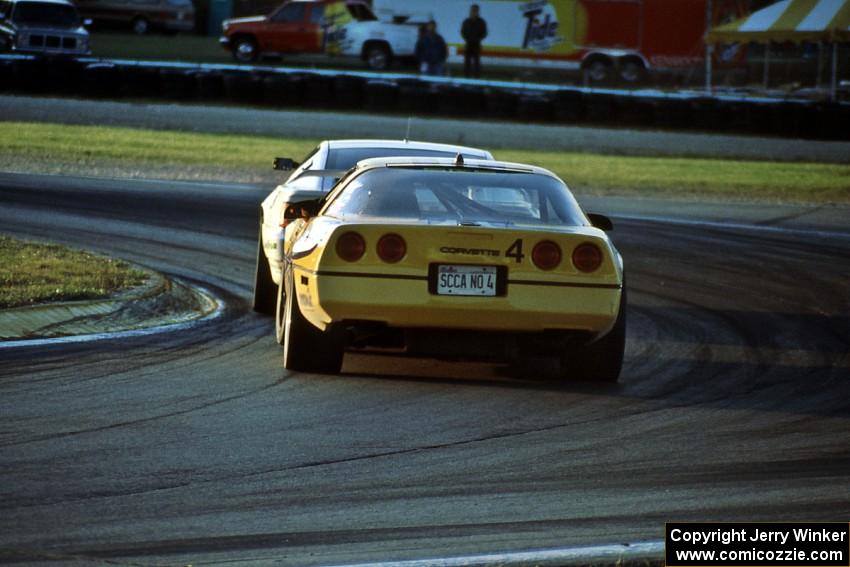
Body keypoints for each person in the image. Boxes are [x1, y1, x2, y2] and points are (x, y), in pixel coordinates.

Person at [461, 4, 487, 78]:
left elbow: (485, 33)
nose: (474, 12)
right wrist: (467, 38)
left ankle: (477, 79)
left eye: (475, 10)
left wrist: (478, 39)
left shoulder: (481, 22)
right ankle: (466, 78)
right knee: (467, 63)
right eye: (472, 10)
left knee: (477, 63)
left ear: (478, 11)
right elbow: (462, 32)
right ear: (470, 11)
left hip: (476, 45)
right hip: (468, 44)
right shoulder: (466, 21)